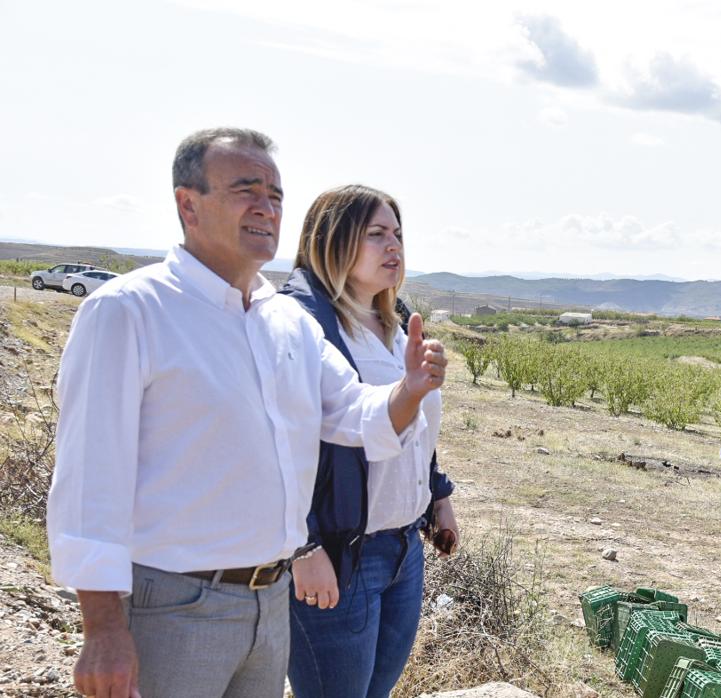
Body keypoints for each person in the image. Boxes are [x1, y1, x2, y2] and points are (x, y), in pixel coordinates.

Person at [46, 128, 447, 698]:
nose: (266, 207)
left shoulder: (286, 323)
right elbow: (90, 480)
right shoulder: (128, 311)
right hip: (174, 606)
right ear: (188, 203)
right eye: (246, 190)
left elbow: (357, 416)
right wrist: (103, 630)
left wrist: (408, 389)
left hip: (271, 603)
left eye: (276, 195)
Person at [279, 185, 459, 697]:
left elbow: (415, 425)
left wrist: (437, 496)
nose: (394, 247)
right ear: (332, 241)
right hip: (339, 552)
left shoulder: (396, 325)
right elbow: (280, 447)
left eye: (398, 235)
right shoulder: (303, 324)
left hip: (402, 548)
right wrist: (303, 546)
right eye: (376, 234)